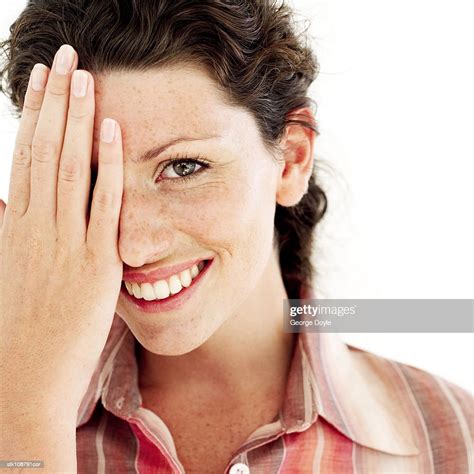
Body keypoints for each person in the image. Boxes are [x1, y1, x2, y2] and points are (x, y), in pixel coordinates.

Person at [0, 1, 472, 473]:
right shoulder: (15, 415)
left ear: (291, 158)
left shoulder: (455, 440)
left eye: (183, 168)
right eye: (90, 179)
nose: (133, 245)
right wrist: (28, 410)